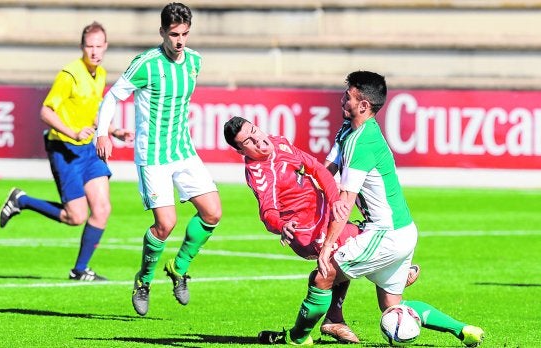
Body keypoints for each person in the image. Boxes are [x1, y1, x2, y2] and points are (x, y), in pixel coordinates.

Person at [258, 71, 485, 346]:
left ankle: (297, 338)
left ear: (363, 105)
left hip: (386, 234)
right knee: (392, 308)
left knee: (323, 273)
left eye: (348, 96)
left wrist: (328, 246)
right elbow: (327, 173)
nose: (342, 100)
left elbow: (345, 200)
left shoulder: (361, 142)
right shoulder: (348, 132)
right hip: (402, 231)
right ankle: (463, 330)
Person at [223, 116, 420, 344]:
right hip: (308, 233)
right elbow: (267, 213)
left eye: (254, 130)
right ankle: (385, 275)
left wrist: (337, 201)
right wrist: (281, 225)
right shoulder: (260, 173)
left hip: (325, 218)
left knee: (347, 255)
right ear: (241, 151)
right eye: (248, 140)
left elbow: (317, 169)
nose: (258, 140)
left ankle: (334, 318)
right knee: (352, 251)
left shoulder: (279, 142)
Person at [95, 2, 222, 316]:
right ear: (162, 32)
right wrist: (102, 133)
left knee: (213, 213)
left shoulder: (194, 61)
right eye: (174, 34)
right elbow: (112, 97)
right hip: (152, 156)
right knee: (165, 224)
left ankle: (178, 268)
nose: (180, 40)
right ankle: (144, 280)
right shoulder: (146, 64)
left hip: (183, 151)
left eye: (185, 34)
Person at [0, 21, 133, 281]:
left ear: (105, 47)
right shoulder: (69, 75)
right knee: (76, 216)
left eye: (98, 46)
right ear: (82, 47)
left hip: (88, 149)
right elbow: (45, 111)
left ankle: (80, 270)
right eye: (89, 46)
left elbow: (94, 109)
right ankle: (21, 200)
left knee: (102, 209)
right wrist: (72, 132)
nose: (94, 51)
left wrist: (114, 131)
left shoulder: (100, 73)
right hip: (64, 148)